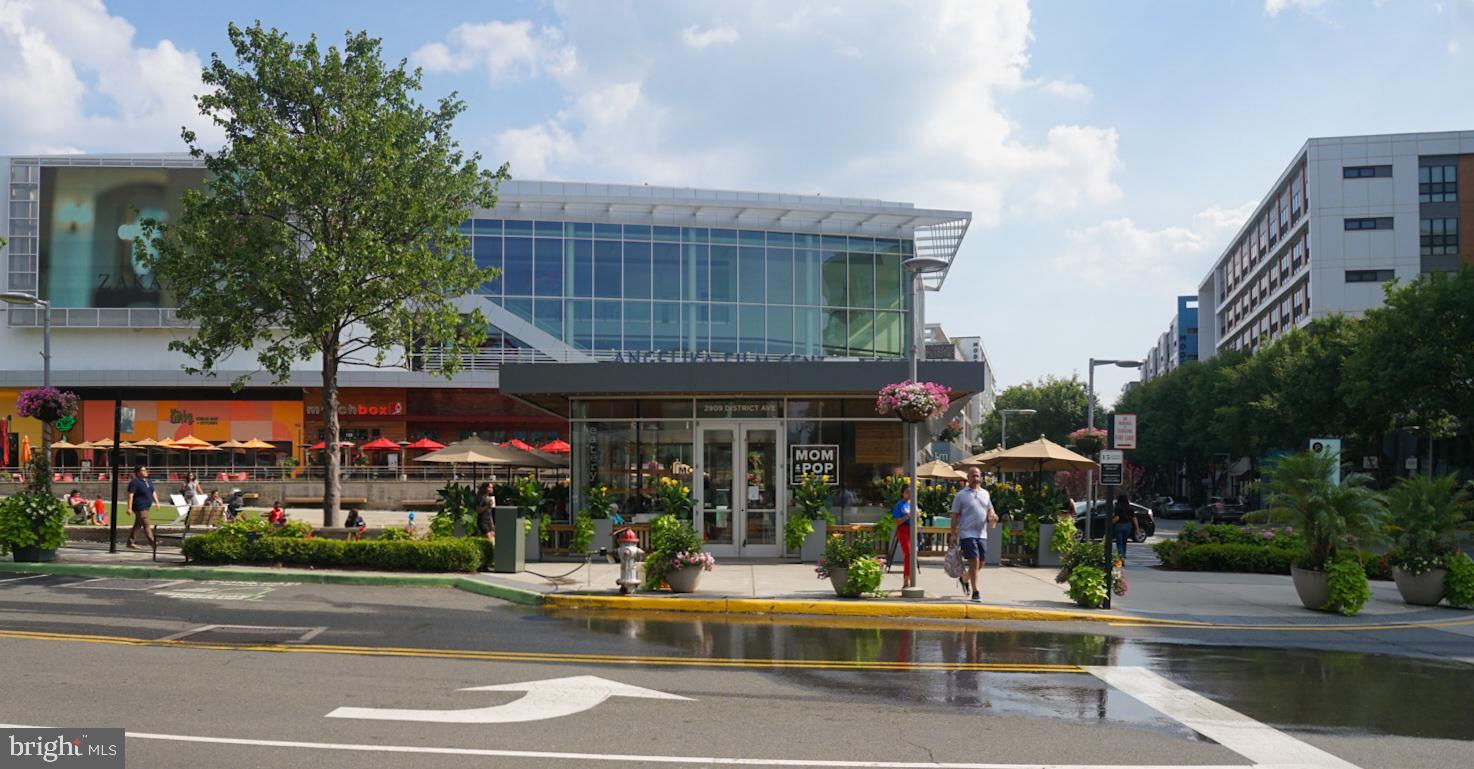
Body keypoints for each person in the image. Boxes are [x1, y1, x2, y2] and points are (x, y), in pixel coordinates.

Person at [950, 467, 999, 602]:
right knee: (974, 561)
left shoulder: (985, 493)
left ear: (981, 478)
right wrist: (953, 534)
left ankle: (965, 578)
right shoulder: (961, 495)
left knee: (981, 563)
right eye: (973, 476)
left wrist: (993, 516)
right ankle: (976, 592)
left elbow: (990, 510)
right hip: (967, 533)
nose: (975, 479)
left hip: (982, 533)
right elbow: (954, 515)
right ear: (968, 478)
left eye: (977, 476)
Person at [125, 465, 160, 550]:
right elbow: (130, 495)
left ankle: (130, 542)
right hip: (139, 507)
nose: (145, 471)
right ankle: (152, 542)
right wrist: (129, 508)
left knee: (138, 525)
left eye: (145, 470)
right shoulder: (134, 482)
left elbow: (153, 492)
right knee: (146, 524)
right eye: (143, 470)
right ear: (138, 473)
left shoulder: (148, 481)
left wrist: (157, 502)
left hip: (146, 507)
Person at [892, 483, 915, 589]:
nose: (909, 494)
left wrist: (917, 516)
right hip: (903, 530)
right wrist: (908, 516)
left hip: (912, 530)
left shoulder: (913, 504)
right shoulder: (899, 505)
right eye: (907, 492)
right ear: (902, 493)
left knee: (913, 554)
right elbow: (897, 521)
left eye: (911, 492)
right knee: (908, 553)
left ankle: (910, 577)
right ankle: (906, 578)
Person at [1113, 493, 1138, 561]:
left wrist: (1111, 523)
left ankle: (1121, 555)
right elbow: (1134, 518)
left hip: (1119, 525)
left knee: (1119, 542)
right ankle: (1123, 555)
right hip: (1128, 525)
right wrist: (1137, 528)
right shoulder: (1130, 507)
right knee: (1124, 541)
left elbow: (1117, 518)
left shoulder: (1117, 507)